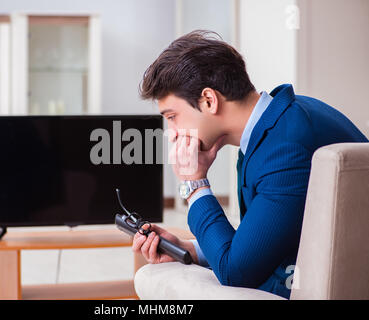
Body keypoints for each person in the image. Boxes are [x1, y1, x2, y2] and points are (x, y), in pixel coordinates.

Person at [132, 30, 368, 299]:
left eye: (172, 116)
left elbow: (237, 273)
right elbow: (261, 243)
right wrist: (190, 248)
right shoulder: (280, 123)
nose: (171, 132)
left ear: (209, 100)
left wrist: (194, 184)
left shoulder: (285, 148)